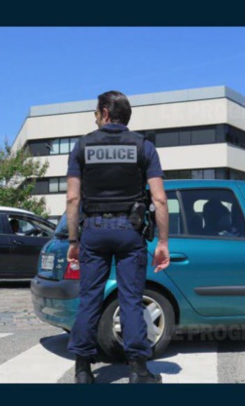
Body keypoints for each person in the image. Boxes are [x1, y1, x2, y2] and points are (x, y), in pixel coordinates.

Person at [66, 91, 170, 384]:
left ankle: (83, 371)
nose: (95, 119)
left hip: (94, 232)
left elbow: (73, 199)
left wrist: (73, 241)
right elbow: (160, 200)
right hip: (129, 231)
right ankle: (138, 370)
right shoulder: (144, 147)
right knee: (131, 300)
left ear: (106, 113)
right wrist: (163, 243)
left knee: (89, 299)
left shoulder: (82, 146)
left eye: (96, 114)